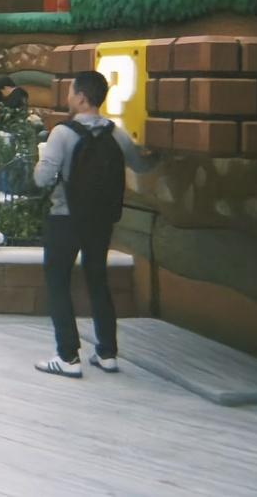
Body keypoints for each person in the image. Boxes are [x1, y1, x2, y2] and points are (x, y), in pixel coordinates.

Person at [33, 70, 155, 378]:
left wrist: (40, 162)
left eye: (71, 92)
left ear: (81, 98)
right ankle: (107, 352)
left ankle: (67, 356)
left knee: (58, 282)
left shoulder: (62, 133)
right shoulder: (117, 134)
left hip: (65, 218)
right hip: (100, 220)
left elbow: (42, 178)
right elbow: (141, 165)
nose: (68, 96)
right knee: (98, 279)